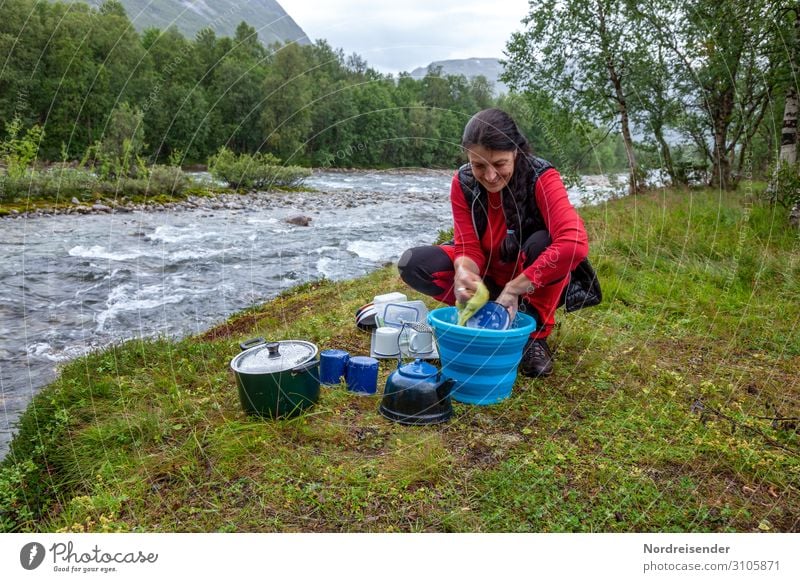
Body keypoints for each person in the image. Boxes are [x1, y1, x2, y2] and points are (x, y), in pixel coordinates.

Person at [398, 108, 590, 377]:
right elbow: (467, 245)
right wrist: (464, 272)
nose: (489, 176)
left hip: (530, 281)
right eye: (478, 165)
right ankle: (485, 317)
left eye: (499, 164)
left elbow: (575, 244)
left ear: (515, 152)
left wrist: (514, 289)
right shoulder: (462, 183)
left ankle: (535, 335)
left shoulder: (542, 177)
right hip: (488, 277)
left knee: (545, 242)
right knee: (414, 264)